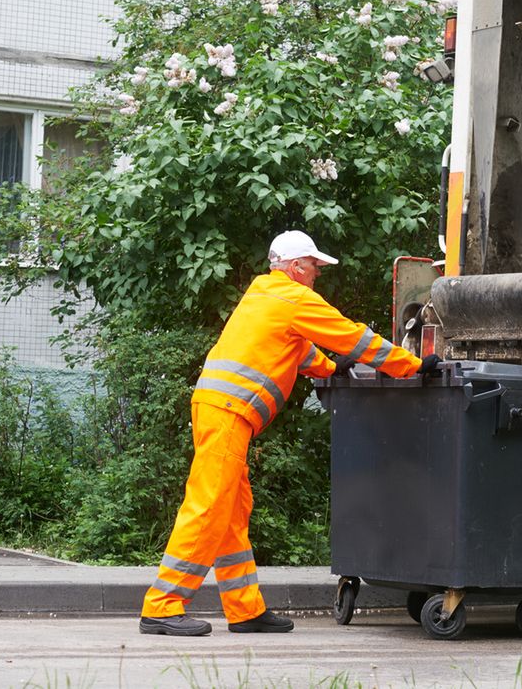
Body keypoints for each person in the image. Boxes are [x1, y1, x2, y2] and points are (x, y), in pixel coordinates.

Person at [139, 230, 439, 636]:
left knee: (231, 511)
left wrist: (333, 370)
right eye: (314, 266)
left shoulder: (266, 294)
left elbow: (295, 349)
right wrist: (411, 365)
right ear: (297, 266)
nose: (317, 274)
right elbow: (351, 336)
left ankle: (244, 610)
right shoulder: (293, 297)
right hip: (227, 412)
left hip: (220, 410)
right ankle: (162, 606)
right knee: (209, 505)